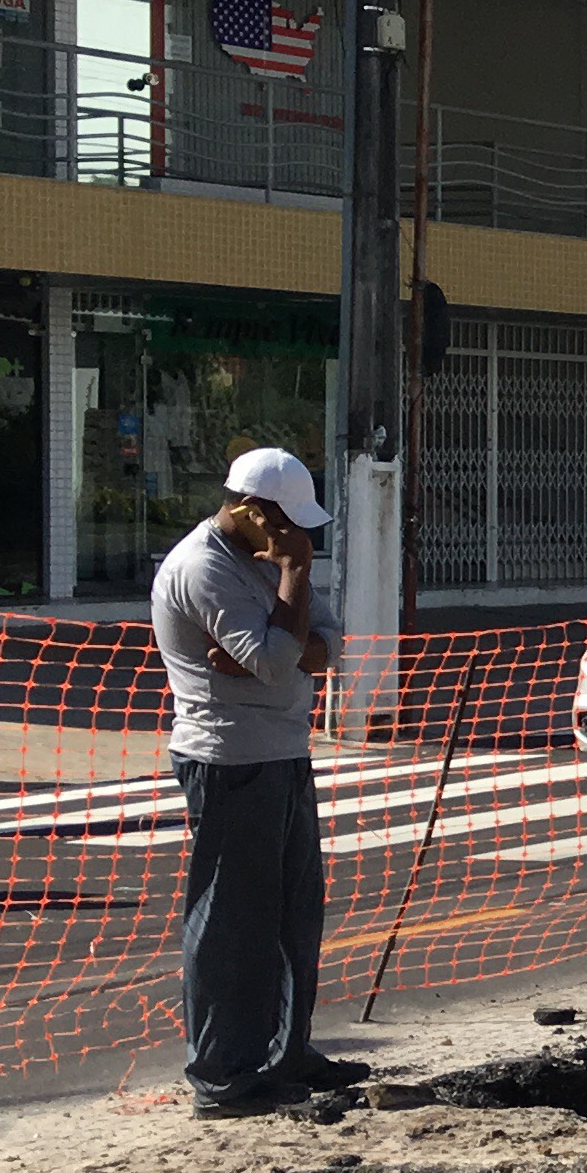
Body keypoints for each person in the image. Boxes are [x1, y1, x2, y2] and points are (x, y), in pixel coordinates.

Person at [150, 447, 346, 1114]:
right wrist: (290, 584)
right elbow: (274, 661)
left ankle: (284, 1051)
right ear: (247, 510)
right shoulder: (204, 567)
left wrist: (281, 651)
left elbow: (324, 642)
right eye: (285, 526)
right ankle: (223, 1072)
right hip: (231, 760)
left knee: (294, 913)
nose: (298, 541)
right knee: (232, 921)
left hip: (284, 751)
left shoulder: (264, 561)